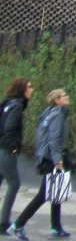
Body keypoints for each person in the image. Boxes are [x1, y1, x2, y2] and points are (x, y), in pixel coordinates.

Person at [7, 88, 70, 240]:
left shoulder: (48, 114)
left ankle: (56, 228)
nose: (67, 97)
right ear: (57, 100)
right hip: (50, 159)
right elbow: (53, 140)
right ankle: (18, 225)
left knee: (55, 193)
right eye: (64, 96)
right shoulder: (57, 116)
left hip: (45, 158)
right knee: (43, 195)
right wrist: (58, 160)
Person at [0, 79, 33, 234]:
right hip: (5, 151)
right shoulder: (16, 106)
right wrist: (12, 147)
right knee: (14, 184)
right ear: (22, 90)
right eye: (29, 87)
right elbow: (10, 128)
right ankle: (3, 223)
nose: (32, 90)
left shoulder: (7, 104)